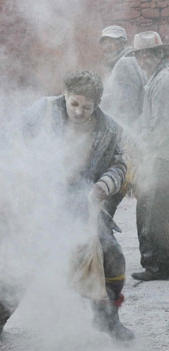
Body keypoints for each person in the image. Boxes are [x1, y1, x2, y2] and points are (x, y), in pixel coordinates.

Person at [0, 70, 134, 342]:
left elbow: (120, 165)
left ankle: (108, 318)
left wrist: (103, 186)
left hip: (84, 200)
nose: (79, 112)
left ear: (97, 104)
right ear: (65, 95)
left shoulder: (109, 128)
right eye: (74, 104)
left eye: (87, 107)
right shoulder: (44, 110)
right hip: (42, 196)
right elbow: (9, 137)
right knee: (26, 257)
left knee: (112, 258)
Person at [128, 32, 169, 281]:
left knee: (150, 211)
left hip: (159, 157)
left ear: (159, 54)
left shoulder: (163, 81)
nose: (143, 59)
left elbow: (161, 125)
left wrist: (144, 155)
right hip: (158, 155)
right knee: (157, 210)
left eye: (148, 54)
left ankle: (156, 266)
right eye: (139, 55)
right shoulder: (153, 79)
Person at [98, 25, 147, 217]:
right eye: (104, 42)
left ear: (123, 42)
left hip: (127, 144)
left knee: (103, 209)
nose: (107, 46)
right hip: (136, 143)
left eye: (112, 41)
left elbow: (124, 111)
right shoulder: (127, 63)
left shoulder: (125, 64)